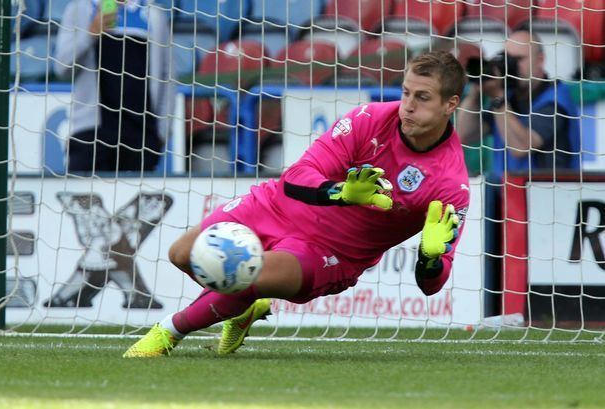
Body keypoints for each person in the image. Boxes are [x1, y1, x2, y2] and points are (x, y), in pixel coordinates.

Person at [123, 50, 471, 358]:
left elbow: (432, 285)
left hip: (329, 251)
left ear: (450, 105)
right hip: (276, 206)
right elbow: (297, 175)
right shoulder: (370, 119)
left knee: (250, 275)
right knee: (182, 254)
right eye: (406, 92)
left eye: (422, 98)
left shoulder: (450, 184)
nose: (408, 106)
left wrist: (429, 258)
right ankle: (244, 309)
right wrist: (340, 193)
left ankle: (168, 332)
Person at [53, 0, 174, 173]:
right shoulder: (79, 9)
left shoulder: (153, 13)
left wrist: (161, 132)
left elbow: (167, 76)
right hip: (90, 133)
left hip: (141, 135)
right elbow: (62, 67)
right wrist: (90, 34)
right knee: (83, 197)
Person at [456, 30, 580, 178]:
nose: (513, 66)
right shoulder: (509, 96)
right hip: (505, 193)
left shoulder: (555, 100)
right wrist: (475, 92)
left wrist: (497, 97)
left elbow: (520, 147)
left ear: (540, 60)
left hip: (547, 194)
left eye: (519, 59)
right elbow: (464, 135)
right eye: (508, 59)